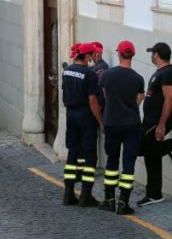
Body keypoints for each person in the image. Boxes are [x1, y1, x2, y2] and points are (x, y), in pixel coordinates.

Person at [97, 40, 145, 215]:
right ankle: (123, 203)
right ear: (132, 55)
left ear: (118, 54)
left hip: (112, 123)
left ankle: (109, 199)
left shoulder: (107, 75)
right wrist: (131, 105)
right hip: (131, 124)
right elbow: (140, 98)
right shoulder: (138, 78)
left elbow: (104, 94)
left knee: (112, 161)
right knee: (128, 164)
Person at [60, 43, 103, 207]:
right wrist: (100, 121)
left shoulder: (67, 71)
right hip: (85, 116)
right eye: (91, 55)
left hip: (71, 115)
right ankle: (86, 195)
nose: (92, 58)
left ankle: (68, 193)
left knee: (72, 154)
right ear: (87, 56)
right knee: (90, 156)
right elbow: (93, 101)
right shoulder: (89, 74)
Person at [138, 42, 172, 207]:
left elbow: (169, 100)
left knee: (150, 155)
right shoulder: (161, 72)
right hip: (149, 122)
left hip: (155, 123)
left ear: (156, 54)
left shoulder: (168, 74)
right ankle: (154, 193)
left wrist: (161, 125)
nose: (151, 55)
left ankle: (154, 193)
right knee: (150, 155)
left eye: (152, 52)